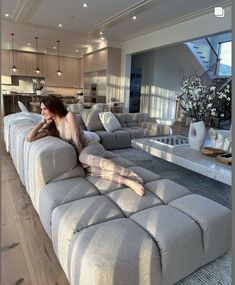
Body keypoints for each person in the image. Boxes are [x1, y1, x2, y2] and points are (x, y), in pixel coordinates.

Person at [26, 95, 145, 196]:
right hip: (85, 155)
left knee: (86, 160)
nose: (42, 112)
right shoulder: (51, 129)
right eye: (41, 110)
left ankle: (129, 173)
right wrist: (41, 122)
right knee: (99, 172)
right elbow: (29, 138)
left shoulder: (69, 116)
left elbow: (77, 140)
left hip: (91, 147)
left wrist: (81, 161)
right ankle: (128, 182)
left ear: (53, 107)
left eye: (44, 109)